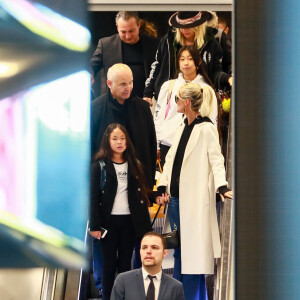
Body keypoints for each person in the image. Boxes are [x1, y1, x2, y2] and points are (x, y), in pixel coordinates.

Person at [155, 83, 233, 299]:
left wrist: (222, 185)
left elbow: (216, 160)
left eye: (178, 99)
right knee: (181, 252)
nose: (176, 103)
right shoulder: (182, 125)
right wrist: (163, 184)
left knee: (193, 255)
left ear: (187, 102)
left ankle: (191, 296)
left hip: (194, 202)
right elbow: (171, 160)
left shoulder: (206, 127)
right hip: (176, 200)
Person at [90, 63, 157, 283]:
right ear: (109, 84)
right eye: (122, 84)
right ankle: (102, 288)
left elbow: (149, 145)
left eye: (130, 83)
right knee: (105, 256)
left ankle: (135, 288)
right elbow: (88, 149)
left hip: (135, 192)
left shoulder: (142, 108)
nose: (128, 87)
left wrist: (149, 188)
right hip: (105, 195)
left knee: (138, 244)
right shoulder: (97, 108)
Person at [89, 123, 153, 300]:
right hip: (107, 224)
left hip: (129, 223)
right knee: (108, 266)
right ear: (107, 141)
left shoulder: (134, 164)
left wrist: (157, 197)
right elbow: (92, 198)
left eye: (122, 138)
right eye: (115, 138)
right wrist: (94, 225)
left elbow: (142, 192)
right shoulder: (99, 166)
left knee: (126, 265)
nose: (119, 142)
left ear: (127, 142)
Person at [144, 11, 232, 102]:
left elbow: (216, 71)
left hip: (201, 97)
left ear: (199, 25)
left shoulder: (211, 42)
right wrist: (148, 93)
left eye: (189, 27)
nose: (184, 30)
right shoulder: (168, 40)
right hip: (169, 97)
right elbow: (157, 66)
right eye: (181, 27)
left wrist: (228, 78)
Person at [154, 45, 218, 167]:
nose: (186, 63)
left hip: (195, 145)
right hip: (168, 142)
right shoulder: (169, 86)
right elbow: (159, 116)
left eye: (190, 59)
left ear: (198, 62)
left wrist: (210, 147)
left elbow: (212, 119)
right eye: (182, 59)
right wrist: (156, 144)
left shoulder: (205, 89)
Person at [90, 11, 159, 99]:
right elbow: (92, 65)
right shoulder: (106, 44)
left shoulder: (154, 44)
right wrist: (90, 74)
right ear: (117, 27)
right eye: (123, 32)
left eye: (131, 31)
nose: (128, 36)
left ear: (138, 25)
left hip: (145, 100)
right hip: (115, 101)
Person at [110, 232, 185, 300]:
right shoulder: (123, 280)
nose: (148, 251)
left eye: (154, 247)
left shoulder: (176, 287)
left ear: (164, 253)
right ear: (140, 252)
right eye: (144, 247)